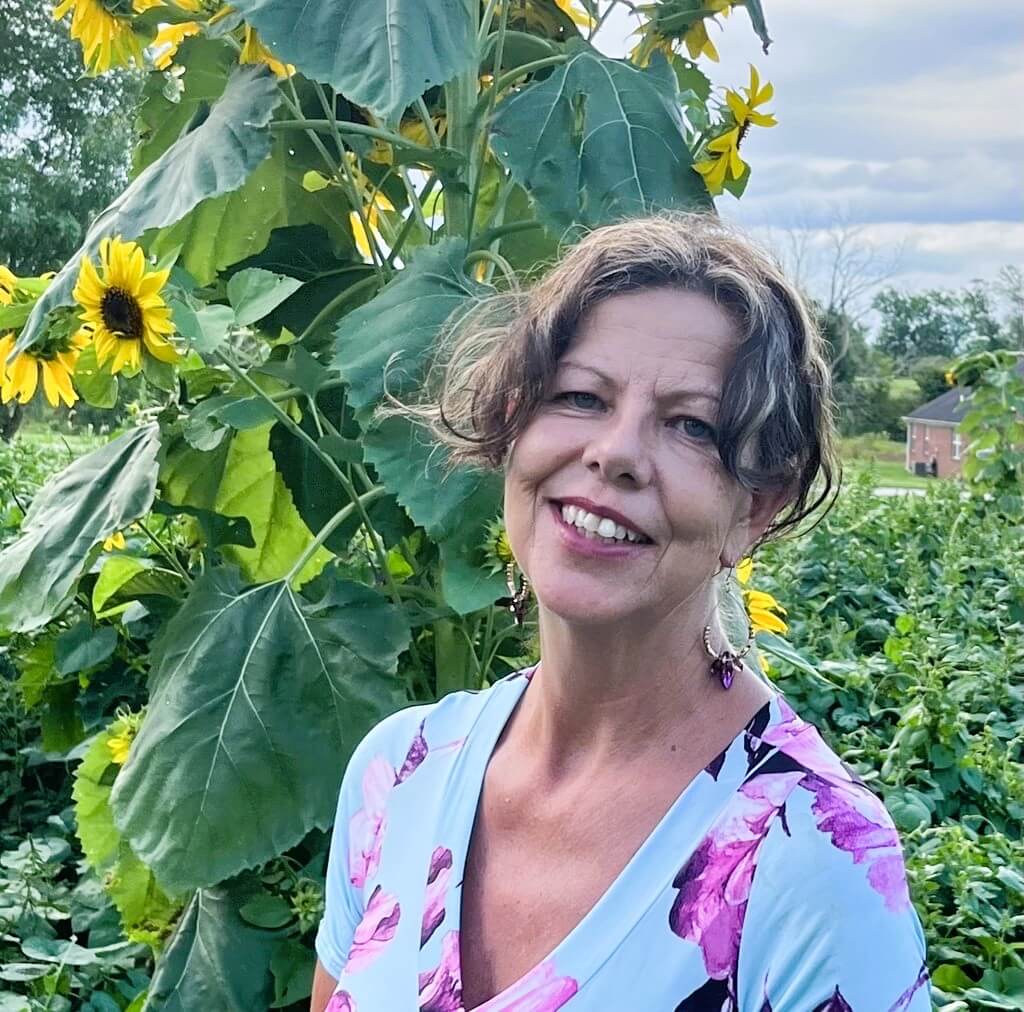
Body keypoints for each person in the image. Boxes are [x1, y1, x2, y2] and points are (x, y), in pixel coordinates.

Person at [310, 213, 931, 1011]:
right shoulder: (398, 773)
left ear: (756, 509)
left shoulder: (814, 865)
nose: (616, 452)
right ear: (514, 424)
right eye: (579, 396)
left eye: (692, 426)